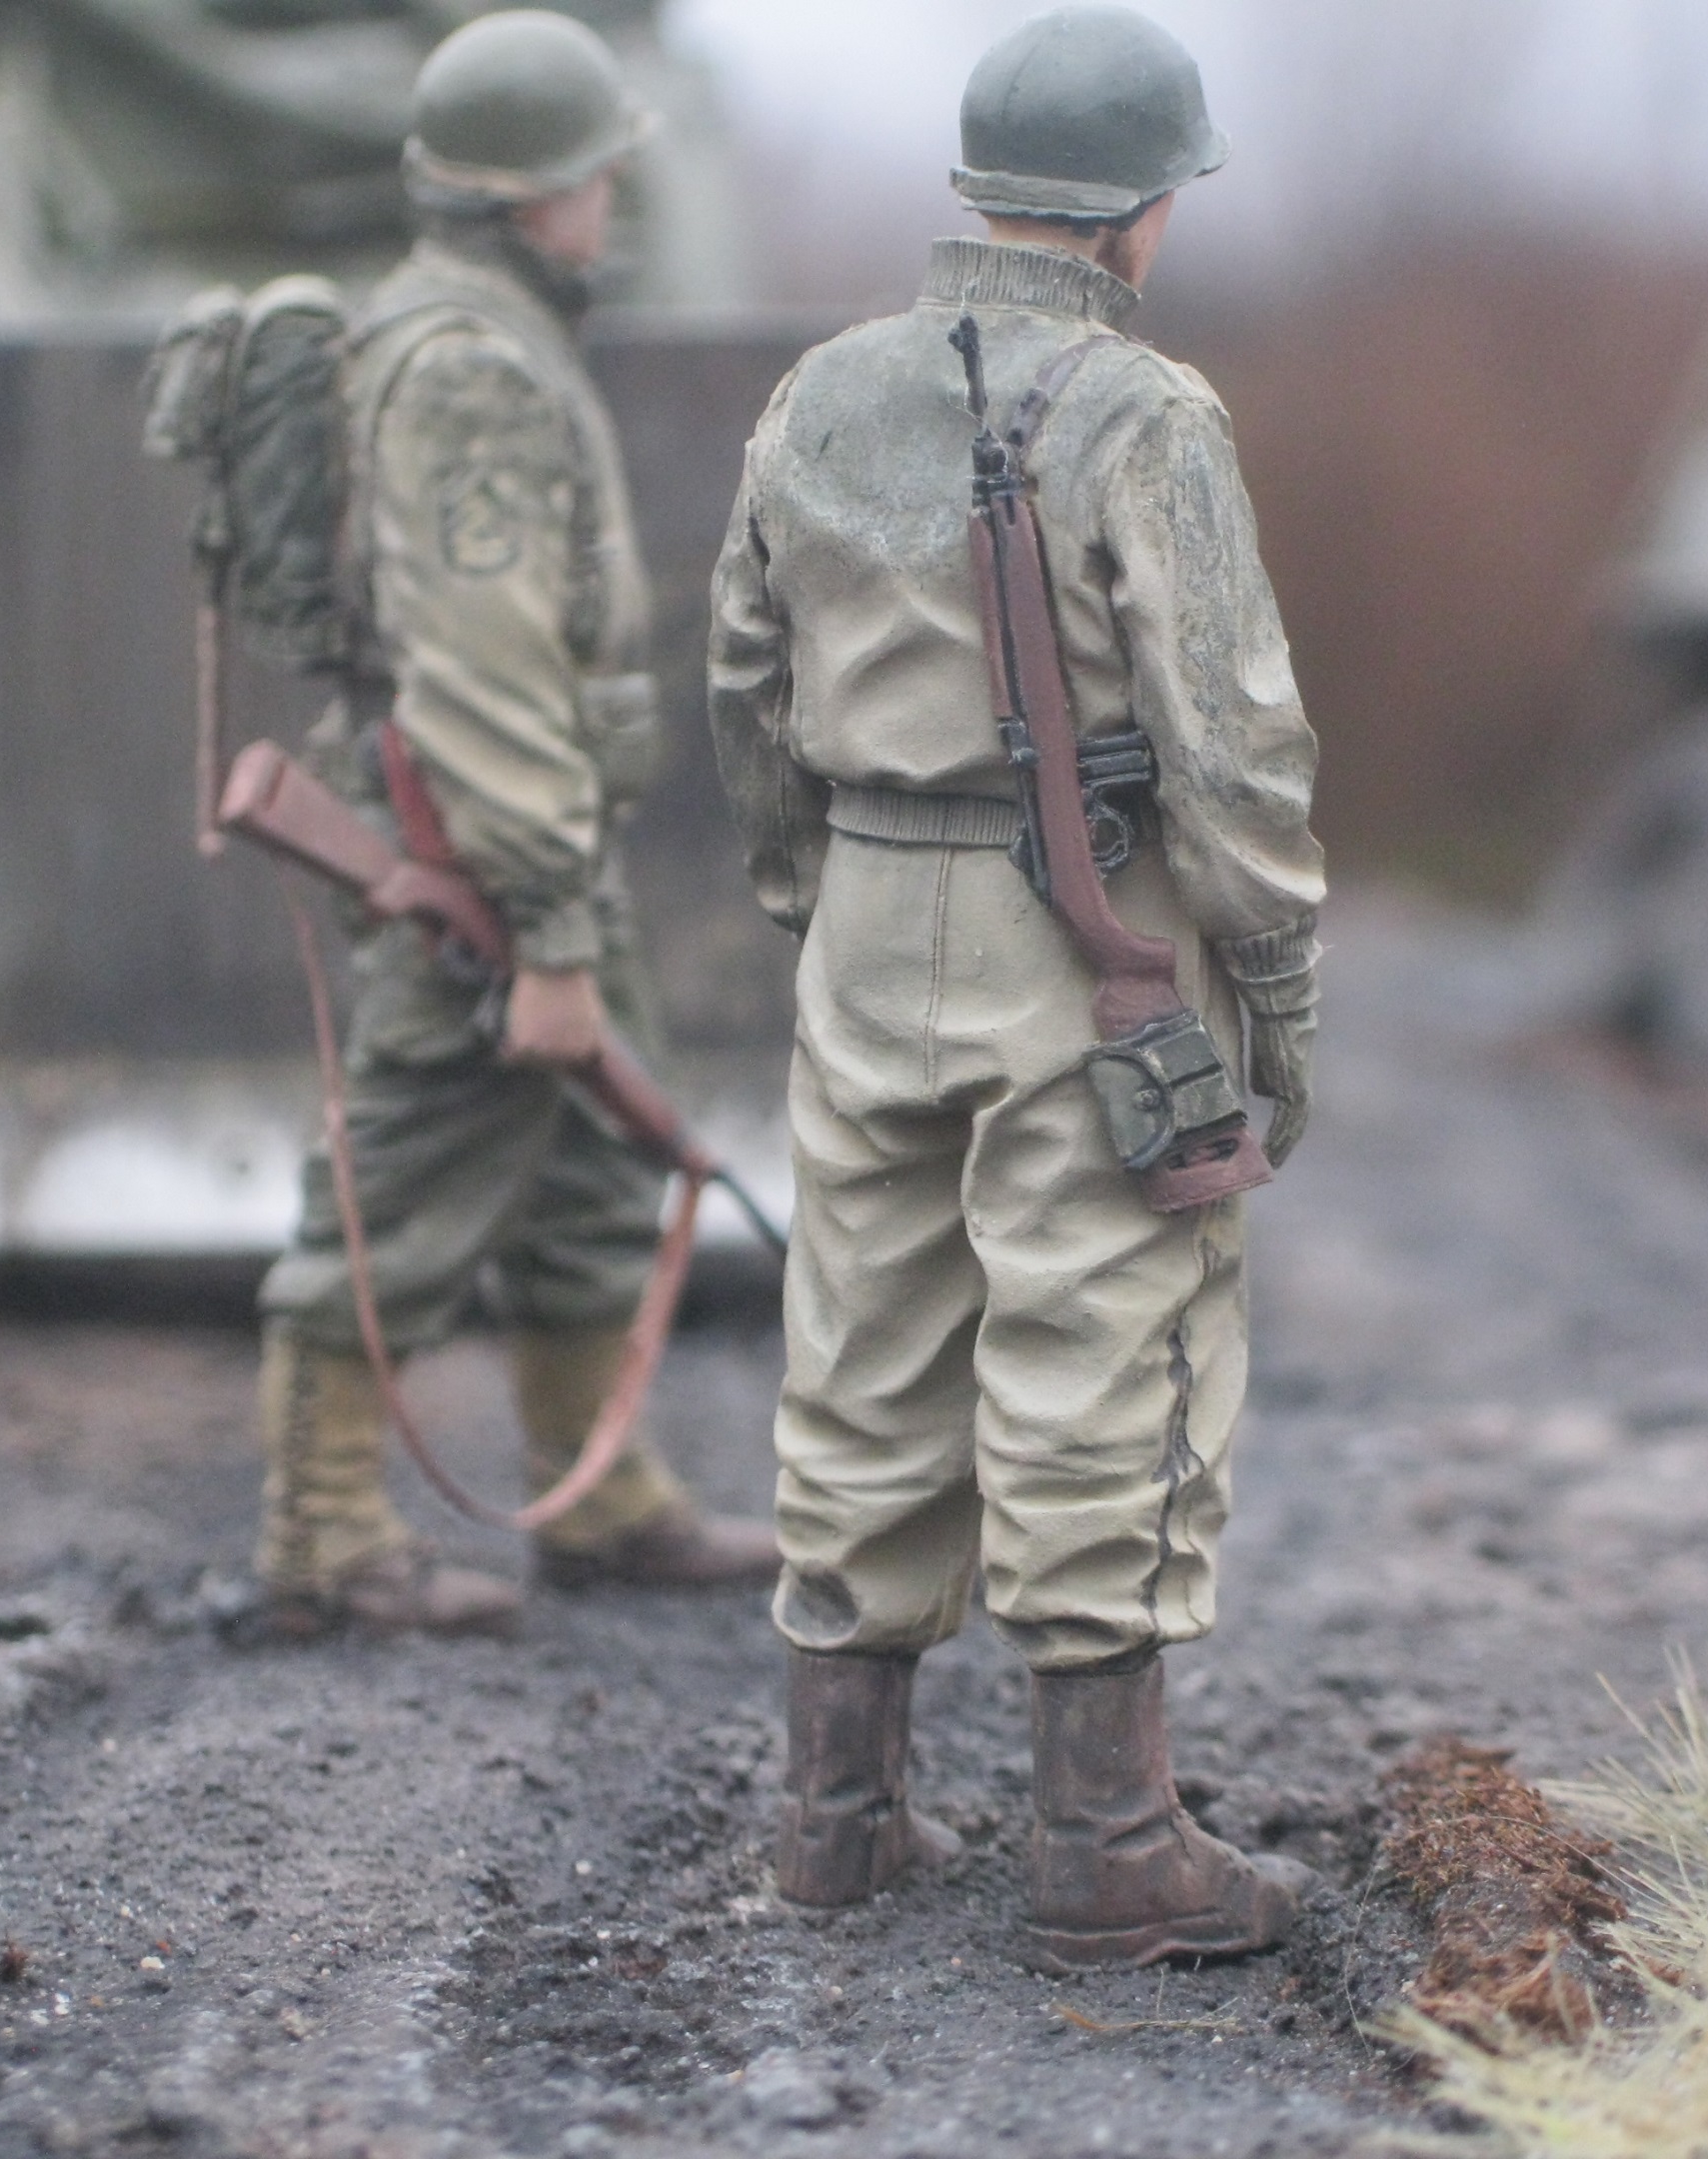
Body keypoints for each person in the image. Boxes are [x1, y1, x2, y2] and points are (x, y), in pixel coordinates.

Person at [708, 5, 1324, 1967]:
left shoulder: (819, 391)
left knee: (862, 1339)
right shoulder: (1146, 413)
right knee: (1107, 1335)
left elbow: (744, 673)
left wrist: (812, 890)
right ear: (1143, 208)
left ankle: (833, 1818)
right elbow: (1232, 739)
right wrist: (1274, 976)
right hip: (1089, 935)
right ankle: (1108, 1838)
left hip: (868, 908)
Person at [248, 9, 777, 1638]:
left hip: (522, 847)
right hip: (478, 857)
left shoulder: (486, 332)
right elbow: (480, 670)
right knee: (407, 1179)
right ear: (540, 190)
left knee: (594, 1172)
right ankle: (322, 1536)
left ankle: (601, 1499)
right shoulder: (471, 370)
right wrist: (545, 925)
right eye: (598, 174)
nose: (611, 200)